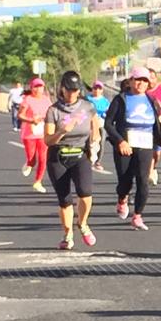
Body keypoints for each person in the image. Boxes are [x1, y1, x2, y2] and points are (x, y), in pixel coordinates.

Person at [104, 66, 161, 230]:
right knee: (125, 181)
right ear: (131, 81)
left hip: (145, 144)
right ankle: (122, 198)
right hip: (125, 145)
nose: (141, 83)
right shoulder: (121, 99)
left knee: (143, 181)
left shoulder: (152, 101)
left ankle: (138, 216)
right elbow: (108, 124)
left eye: (145, 80)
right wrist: (120, 141)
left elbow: (160, 123)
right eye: (138, 80)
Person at [44, 70, 100, 251]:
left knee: (85, 193)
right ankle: (67, 235)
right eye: (68, 90)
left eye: (75, 90)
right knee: (65, 199)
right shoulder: (53, 110)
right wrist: (62, 131)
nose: (71, 94)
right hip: (58, 156)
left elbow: (95, 128)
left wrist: (94, 145)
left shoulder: (87, 107)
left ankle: (82, 224)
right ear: (62, 88)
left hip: (80, 155)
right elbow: (47, 140)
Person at [19, 78, 52, 193]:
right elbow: (20, 115)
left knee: (43, 159)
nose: (38, 89)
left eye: (40, 87)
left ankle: (38, 182)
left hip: (43, 133)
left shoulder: (47, 100)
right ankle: (29, 163)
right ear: (31, 88)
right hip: (29, 134)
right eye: (36, 87)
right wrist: (31, 120)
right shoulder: (27, 100)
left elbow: (51, 113)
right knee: (32, 159)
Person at [85, 80, 110, 171]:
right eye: (95, 88)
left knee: (101, 141)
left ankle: (98, 161)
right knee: (90, 142)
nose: (97, 90)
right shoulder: (87, 99)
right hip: (89, 122)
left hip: (101, 123)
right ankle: (89, 159)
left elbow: (108, 112)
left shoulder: (105, 101)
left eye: (99, 88)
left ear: (102, 90)